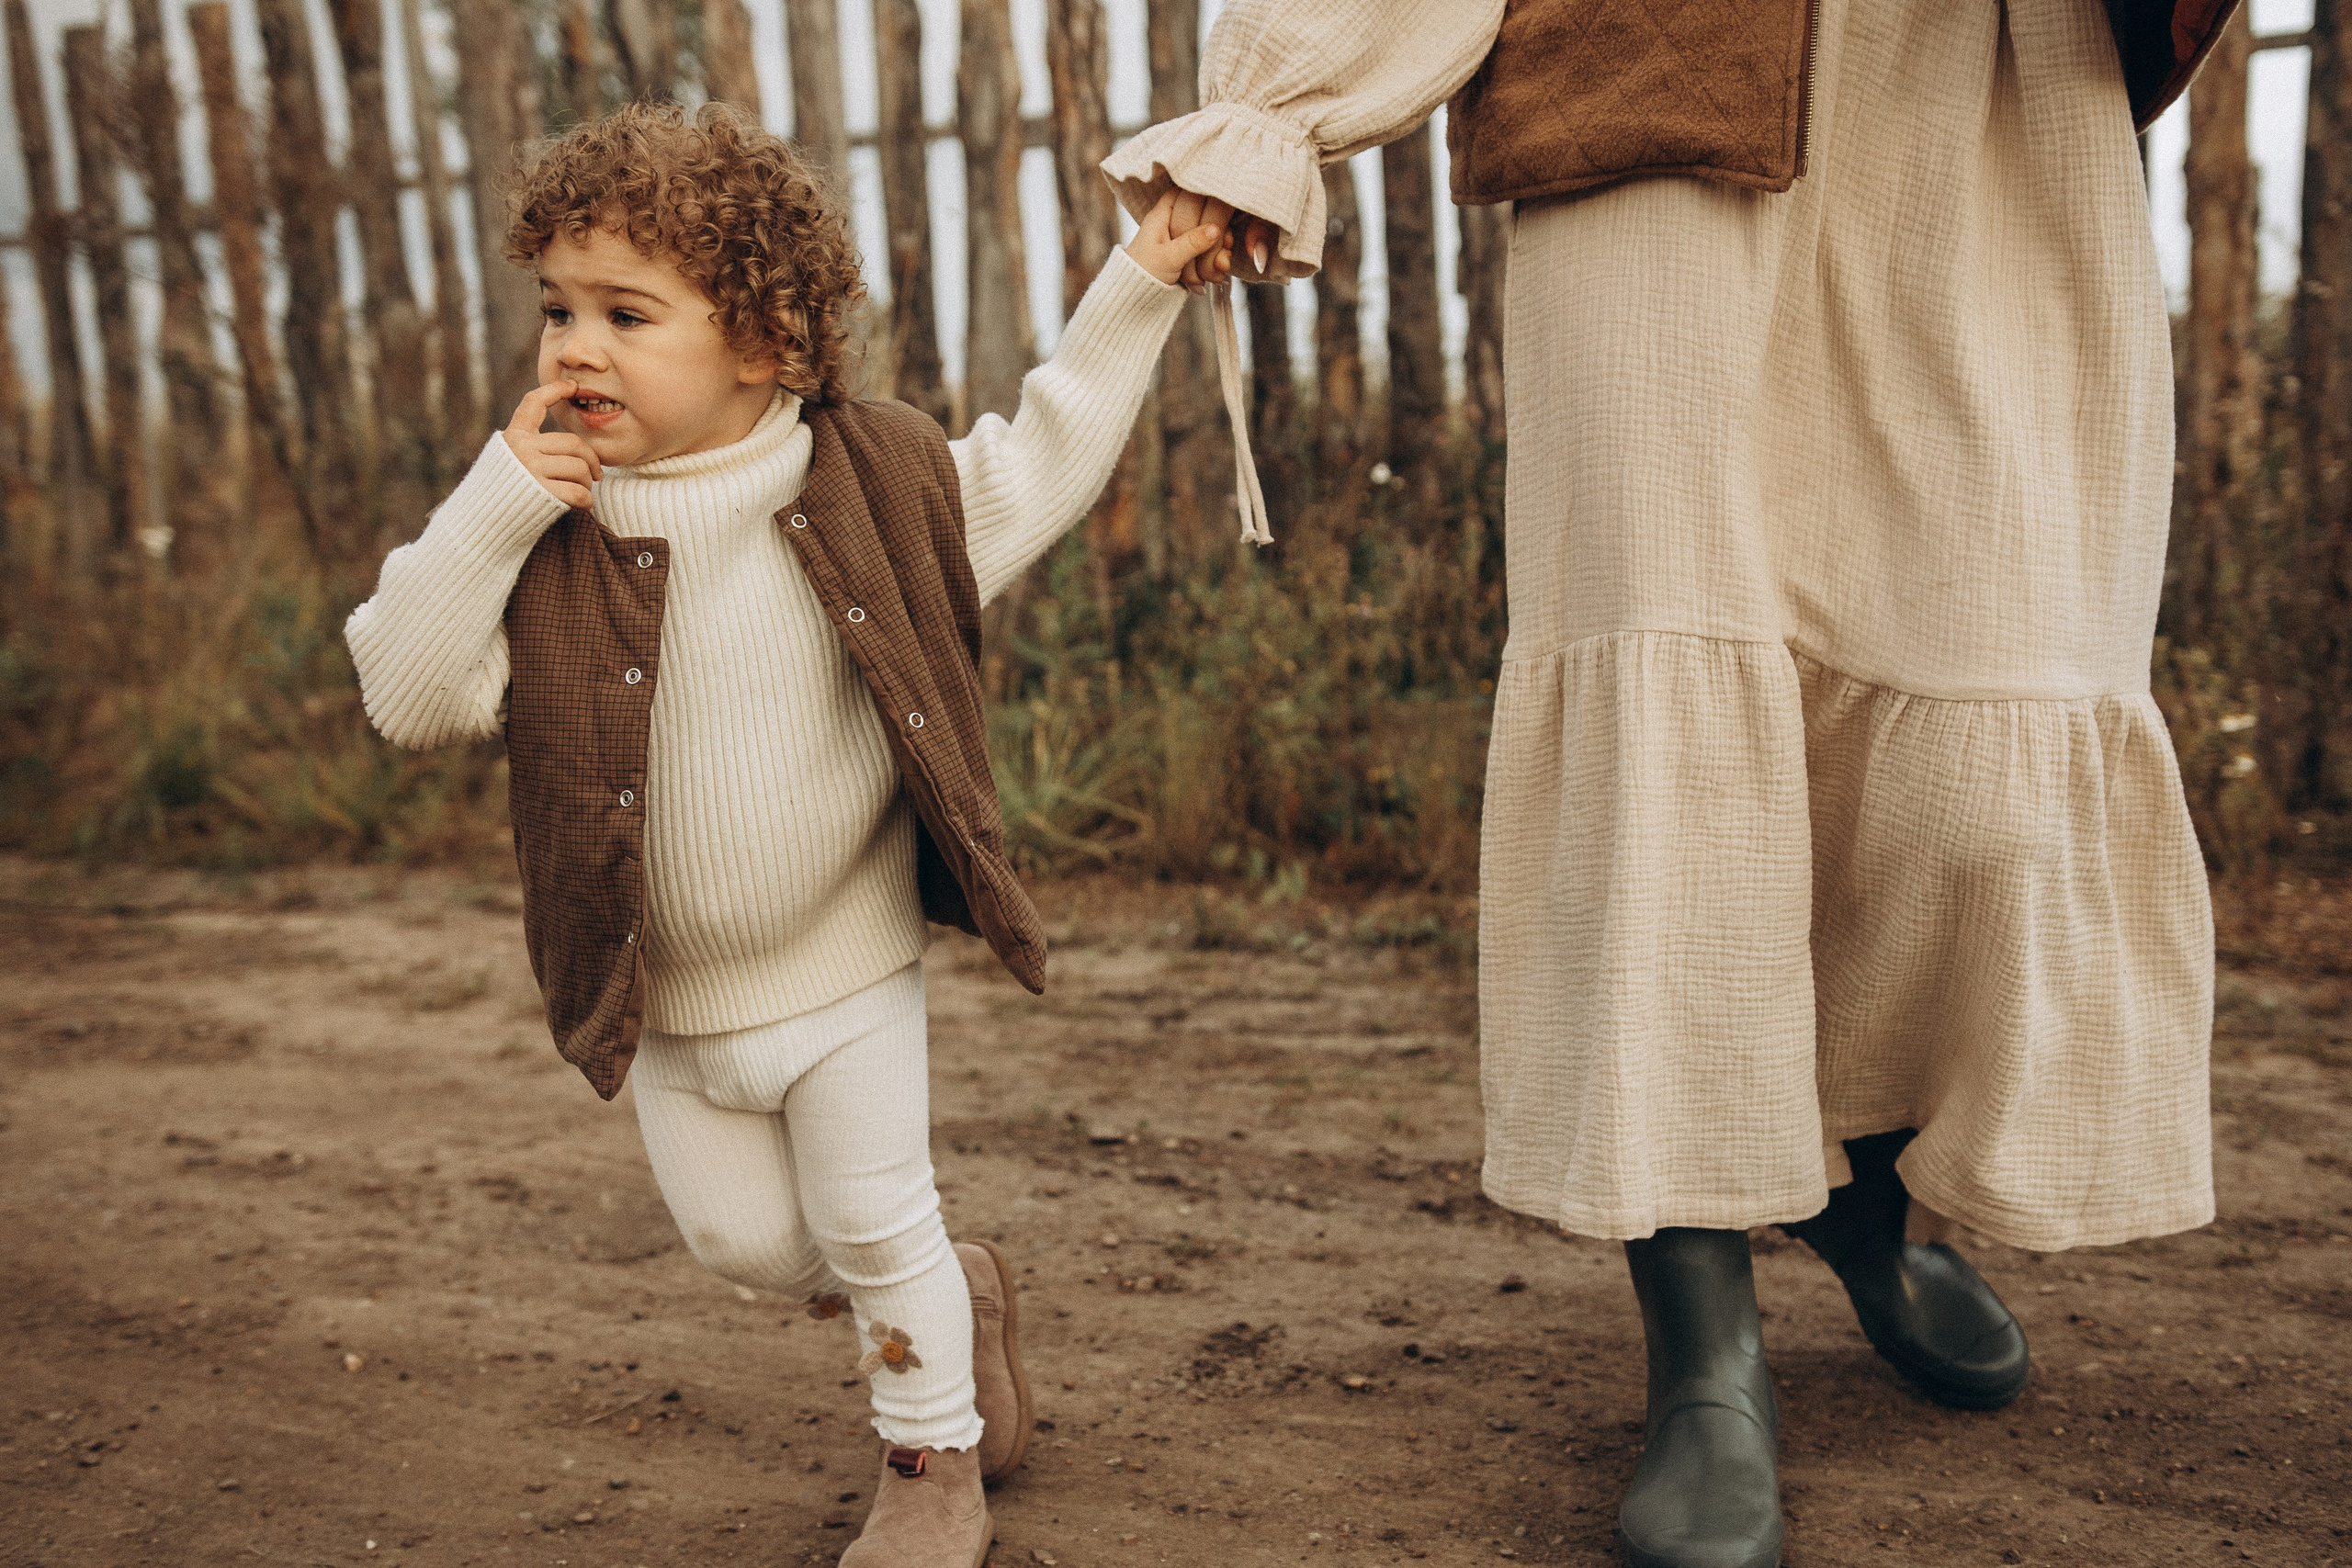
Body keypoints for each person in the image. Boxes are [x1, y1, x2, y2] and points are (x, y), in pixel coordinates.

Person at [1101, 4, 2237, 1565]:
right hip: (1651, 96)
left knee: (1989, 749)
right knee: (1666, 710)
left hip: (1984, 92)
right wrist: (1287, 106)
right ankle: (1702, 1346)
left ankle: (1863, 1191)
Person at [345, 101, 1227, 1567]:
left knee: (879, 1222)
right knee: (745, 1247)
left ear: (762, 339)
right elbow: (409, 693)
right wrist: (496, 506)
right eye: (559, 310)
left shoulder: (866, 486)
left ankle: (930, 1461)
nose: (574, 347)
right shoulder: (543, 534)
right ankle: (957, 1293)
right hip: (673, 1000)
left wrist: (1137, 283)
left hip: (848, 967)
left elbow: (1048, 453)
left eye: (628, 314)